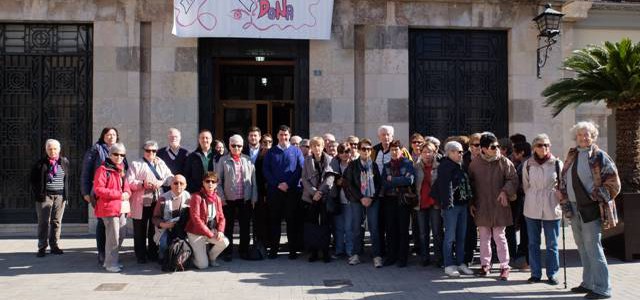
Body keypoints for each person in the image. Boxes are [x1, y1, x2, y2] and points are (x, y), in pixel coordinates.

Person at [559, 121, 620, 299]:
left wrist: (595, 197)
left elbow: (613, 183)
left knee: (593, 247)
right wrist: (562, 192)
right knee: (582, 247)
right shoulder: (572, 155)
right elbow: (564, 178)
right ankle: (588, 283)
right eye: (580, 135)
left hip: (591, 208)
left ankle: (603, 288)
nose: (584, 137)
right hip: (573, 206)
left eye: (587, 134)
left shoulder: (599, 156)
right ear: (576, 137)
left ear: (593, 137)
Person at [468, 133, 519, 280]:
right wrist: (471, 203)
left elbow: (513, 179)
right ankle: (485, 265)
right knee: (484, 237)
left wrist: (505, 191)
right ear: (483, 149)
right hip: (482, 206)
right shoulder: (475, 164)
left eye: (497, 146)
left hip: (499, 205)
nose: (496, 149)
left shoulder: (504, 162)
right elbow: (470, 185)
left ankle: (504, 266)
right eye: (493, 147)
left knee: (499, 237)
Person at [80, 127, 127, 266]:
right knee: (103, 224)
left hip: (118, 197)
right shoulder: (96, 149)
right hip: (102, 195)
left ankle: (110, 256)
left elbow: (125, 174)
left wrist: (127, 192)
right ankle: (103, 254)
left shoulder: (120, 151)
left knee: (117, 230)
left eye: (114, 134)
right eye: (108, 134)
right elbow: (86, 171)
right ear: (103, 136)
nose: (111, 137)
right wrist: (85, 192)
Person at [521, 134, 563, 285]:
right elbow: (526, 185)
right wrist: (534, 196)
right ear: (534, 147)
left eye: (546, 145)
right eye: (540, 145)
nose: (543, 148)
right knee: (533, 242)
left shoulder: (557, 163)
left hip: (552, 206)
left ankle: (552, 274)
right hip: (532, 206)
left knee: (552, 243)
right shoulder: (528, 164)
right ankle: (535, 273)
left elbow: (562, 184)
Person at [431, 141, 474, 277]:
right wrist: (448, 205)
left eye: (462, 151)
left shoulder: (460, 165)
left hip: (462, 205)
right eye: (459, 151)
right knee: (450, 237)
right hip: (451, 207)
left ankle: (461, 263)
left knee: (462, 236)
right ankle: (449, 264)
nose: (462, 154)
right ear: (450, 152)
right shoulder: (445, 166)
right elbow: (446, 187)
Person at [127, 140, 174, 263]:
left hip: (157, 201)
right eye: (148, 150)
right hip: (140, 202)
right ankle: (140, 255)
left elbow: (170, 177)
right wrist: (143, 184)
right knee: (139, 230)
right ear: (144, 151)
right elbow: (129, 182)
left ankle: (153, 253)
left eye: (153, 151)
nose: (151, 153)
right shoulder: (136, 164)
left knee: (154, 229)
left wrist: (161, 182)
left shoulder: (161, 163)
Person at [263, 125, 305, 259]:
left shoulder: (296, 151)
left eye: (286, 135)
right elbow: (266, 171)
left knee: (291, 222)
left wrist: (288, 184)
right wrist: (277, 184)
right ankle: (274, 250)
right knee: (274, 222)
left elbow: (300, 169)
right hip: (274, 192)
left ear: (289, 136)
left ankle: (292, 251)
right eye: (281, 134)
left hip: (291, 192)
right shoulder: (271, 152)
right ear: (277, 136)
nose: (283, 137)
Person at [371, 125, 411, 258]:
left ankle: (401, 256)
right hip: (380, 194)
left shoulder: (402, 151)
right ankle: (384, 253)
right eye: (383, 134)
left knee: (400, 227)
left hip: (399, 196)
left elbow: (409, 177)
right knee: (384, 225)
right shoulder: (374, 150)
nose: (385, 137)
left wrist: (392, 179)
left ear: (392, 136)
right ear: (379, 136)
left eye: (388, 134)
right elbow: (381, 178)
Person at [217, 135, 258, 261]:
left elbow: (253, 181)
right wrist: (222, 198)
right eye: (233, 145)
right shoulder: (223, 161)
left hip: (244, 199)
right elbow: (218, 182)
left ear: (242, 146)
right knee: (228, 226)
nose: (236, 148)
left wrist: (253, 198)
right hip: (228, 200)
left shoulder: (248, 160)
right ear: (229, 146)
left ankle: (243, 250)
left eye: (239, 146)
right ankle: (228, 251)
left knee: (245, 226)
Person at [343, 139, 383, 268]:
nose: (366, 151)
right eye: (364, 149)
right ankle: (356, 255)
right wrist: (361, 198)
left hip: (373, 200)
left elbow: (379, 184)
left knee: (374, 227)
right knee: (357, 227)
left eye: (369, 149)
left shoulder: (374, 165)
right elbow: (349, 184)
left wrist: (371, 197)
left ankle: (377, 255)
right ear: (359, 150)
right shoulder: (352, 165)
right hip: (357, 200)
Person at [93, 143, 131, 273]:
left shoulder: (121, 168)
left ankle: (109, 260)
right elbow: (98, 190)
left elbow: (126, 185)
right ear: (110, 155)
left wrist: (127, 192)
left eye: (122, 155)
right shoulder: (102, 170)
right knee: (113, 237)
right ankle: (111, 263)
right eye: (116, 154)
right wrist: (119, 195)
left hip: (121, 208)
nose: (119, 157)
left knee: (121, 234)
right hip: (108, 209)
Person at [31, 139, 70, 257]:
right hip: (45, 196)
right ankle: (42, 247)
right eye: (49, 149)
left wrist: (66, 195)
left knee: (56, 221)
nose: (52, 151)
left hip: (60, 195)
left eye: (55, 149)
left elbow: (67, 179)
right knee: (43, 222)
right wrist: (38, 193)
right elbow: (33, 180)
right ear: (46, 150)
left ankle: (54, 245)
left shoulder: (64, 162)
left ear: (59, 149)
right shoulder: (40, 163)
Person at [381, 140, 415, 268]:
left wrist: (393, 180)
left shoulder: (408, 163)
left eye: (396, 149)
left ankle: (402, 258)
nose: (394, 152)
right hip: (390, 200)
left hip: (403, 200)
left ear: (401, 150)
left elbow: (409, 180)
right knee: (390, 229)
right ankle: (391, 257)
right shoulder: (386, 165)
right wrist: (399, 180)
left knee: (402, 230)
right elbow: (384, 183)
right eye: (392, 150)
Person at [301, 137, 336, 262]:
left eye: (319, 145)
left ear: (323, 147)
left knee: (325, 225)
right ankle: (314, 252)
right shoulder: (307, 160)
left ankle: (325, 251)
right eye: (314, 146)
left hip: (324, 197)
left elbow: (330, 178)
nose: (317, 148)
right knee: (312, 225)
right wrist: (314, 192)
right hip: (311, 198)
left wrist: (320, 192)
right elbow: (304, 179)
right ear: (311, 148)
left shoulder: (330, 160)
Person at [185, 172, 230, 269]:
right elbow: (195, 218)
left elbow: (221, 217)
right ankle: (192, 256)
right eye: (207, 181)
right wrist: (209, 233)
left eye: (213, 181)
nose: (210, 184)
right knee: (202, 265)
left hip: (209, 231)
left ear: (216, 184)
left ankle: (211, 257)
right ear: (203, 183)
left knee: (225, 242)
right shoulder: (196, 197)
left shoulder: (217, 198)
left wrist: (221, 231)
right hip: (196, 233)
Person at [414, 141, 443, 267]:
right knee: (423, 232)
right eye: (424, 152)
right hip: (421, 202)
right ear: (420, 153)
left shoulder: (440, 166)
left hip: (435, 203)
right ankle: (424, 257)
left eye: (429, 151)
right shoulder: (416, 166)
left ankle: (438, 258)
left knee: (437, 232)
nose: (427, 154)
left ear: (434, 152)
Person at [152, 174, 191, 262]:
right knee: (164, 243)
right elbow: (155, 218)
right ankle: (163, 258)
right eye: (176, 183)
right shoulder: (163, 198)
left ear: (186, 185)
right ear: (171, 185)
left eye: (181, 183)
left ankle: (182, 258)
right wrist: (164, 224)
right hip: (166, 227)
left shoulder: (188, 196)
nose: (178, 185)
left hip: (182, 227)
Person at [507, 141, 533, 270]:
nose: (512, 154)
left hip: (524, 201)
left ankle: (527, 262)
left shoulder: (525, 165)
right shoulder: (523, 164)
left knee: (526, 231)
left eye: (514, 151)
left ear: (521, 152)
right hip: (524, 201)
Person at [331, 142, 354, 260]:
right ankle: (339, 250)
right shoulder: (335, 164)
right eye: (341, 152)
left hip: (350, 200)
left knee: (348, 227)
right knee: (339, 227)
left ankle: (350, 251)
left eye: (347, 152)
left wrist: (344, 182)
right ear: (338, 154)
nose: (344, 154)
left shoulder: (354, 165)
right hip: (338, 200)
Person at [463, 132, 482, 267]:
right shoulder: (464, 158)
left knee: (485, 229)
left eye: (480, 145)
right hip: (468, 198)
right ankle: (468, 256)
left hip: (484, 198)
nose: (477, 147)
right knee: (469, 228)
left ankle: (487, 259)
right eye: (474, 145)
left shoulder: (486, 158)